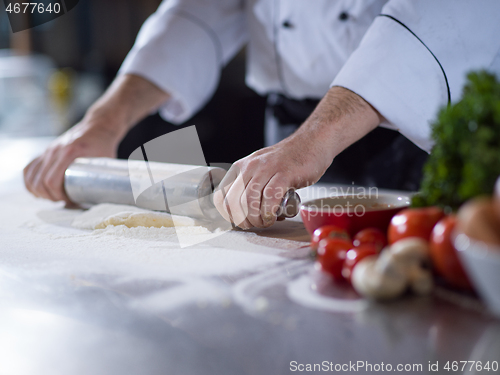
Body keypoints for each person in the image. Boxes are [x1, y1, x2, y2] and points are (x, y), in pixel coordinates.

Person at [24, 0, 500, 230]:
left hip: (415, 137)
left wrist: (314, 141)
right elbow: (197, 13)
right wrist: (102, 124)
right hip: (290, 151)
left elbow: (446, 12)